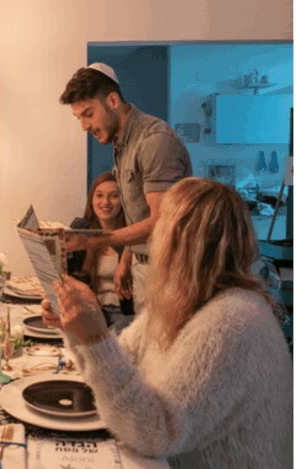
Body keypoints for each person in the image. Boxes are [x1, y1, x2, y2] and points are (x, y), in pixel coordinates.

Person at [40, 177, 293, 468]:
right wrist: (79, 327)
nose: (152, 237)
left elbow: (156, 434)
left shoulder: (233, 320)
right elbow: (114, 367)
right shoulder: (180, 300)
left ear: (183, 239)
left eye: (161, 224)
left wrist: (95, 338)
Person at [59, 62, 192, 314]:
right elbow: (139, 215)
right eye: (79, 118)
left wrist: (91, 241)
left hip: (166, 270)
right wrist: (127, 260)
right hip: (143, 264)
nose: (84, 126)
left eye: (88, 114)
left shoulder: (154, 141)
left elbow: (162, 221)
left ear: (112, 101)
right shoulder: (122, 143)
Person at [67, 171, 134, 328]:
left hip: (124, 314)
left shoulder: (132, 235)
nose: (106, 202)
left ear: (123, 200)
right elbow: (66, 275)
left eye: (114, 196)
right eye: (99, 195)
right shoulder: (81, 230)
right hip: (91, 312)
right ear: (91, 199)